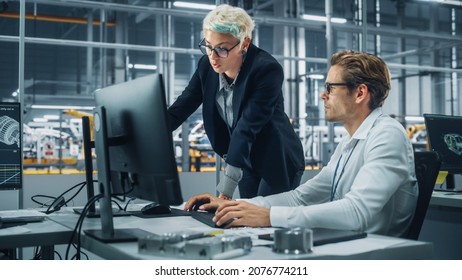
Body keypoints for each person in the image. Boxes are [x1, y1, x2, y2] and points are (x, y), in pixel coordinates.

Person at [184, 50, 419, 237]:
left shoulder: (387, 136)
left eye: (330, 88)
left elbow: (357, 212)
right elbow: (301, 197)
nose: (322, 95)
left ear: (360, 93)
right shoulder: (350, 141)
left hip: (374, 256)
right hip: (345, 245)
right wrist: (235, 206)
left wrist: (268, 217)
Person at [167, 5, 305, 199]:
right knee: (247, 223)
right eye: (208, 46)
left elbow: (246, 127)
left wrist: (225, 190)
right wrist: (148, 134)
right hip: (244, 159)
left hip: (278, 159)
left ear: (244, 43)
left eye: (222, 49)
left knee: (266, 220)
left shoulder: (266, 70)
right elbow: (181, 107)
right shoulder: (206, 67)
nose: (213, 57)